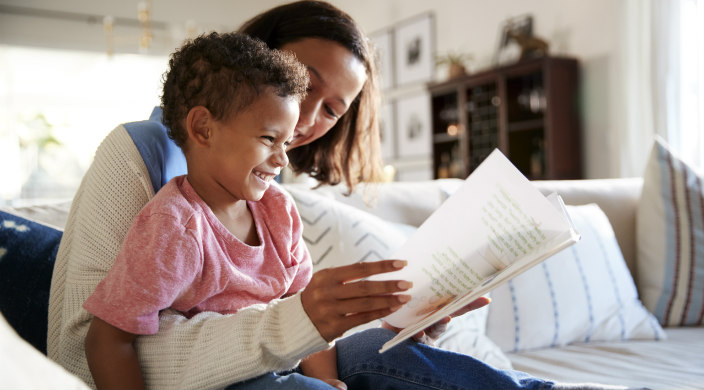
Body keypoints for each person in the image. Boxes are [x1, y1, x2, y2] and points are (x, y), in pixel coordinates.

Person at [48, 2, 612, 390]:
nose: (302, 126)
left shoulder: (268, 195)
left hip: (277, 365)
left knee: (403, 358)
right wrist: (294, 327)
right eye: (303, 84)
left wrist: (408, 316)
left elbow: (292, 323)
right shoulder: (147, 167)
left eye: (331, 110)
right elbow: (86, 349)